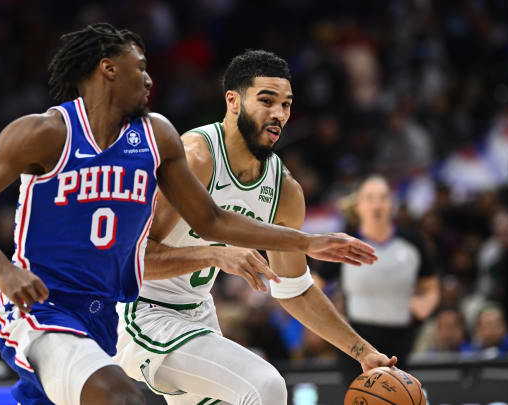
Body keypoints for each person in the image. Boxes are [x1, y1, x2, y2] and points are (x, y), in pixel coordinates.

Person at [0, 24, 379, 405]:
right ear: (108, 68)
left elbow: (213, 222)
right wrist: (0, 269)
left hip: (110, 316)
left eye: (287, 103)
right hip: (54, 308)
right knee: (247, 388)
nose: (149, 79)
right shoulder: (46, 132)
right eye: (140, 67)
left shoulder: (157, 137)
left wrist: (307, 244)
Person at [114, 50, 397, 405]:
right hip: (140, 312)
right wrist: (214, 255)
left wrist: (361, 352)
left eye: (286, 105)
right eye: (266, 101)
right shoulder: (195, 158)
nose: (278, 114)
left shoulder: (285, 190)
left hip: (198, 318)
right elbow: (130, 261)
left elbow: (294, 289)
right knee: (264, 385)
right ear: (232, 100)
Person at [336, 175, 440, 386]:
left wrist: (425, 304)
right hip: (357, 338)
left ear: (392, 204)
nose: (377, 204)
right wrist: (333, 320)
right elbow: (315, 284)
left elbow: (431, 286)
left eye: (383, 197)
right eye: (370, 198)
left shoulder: (413, 242)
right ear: (359, 206)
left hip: (402, 337)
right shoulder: (345, 243)